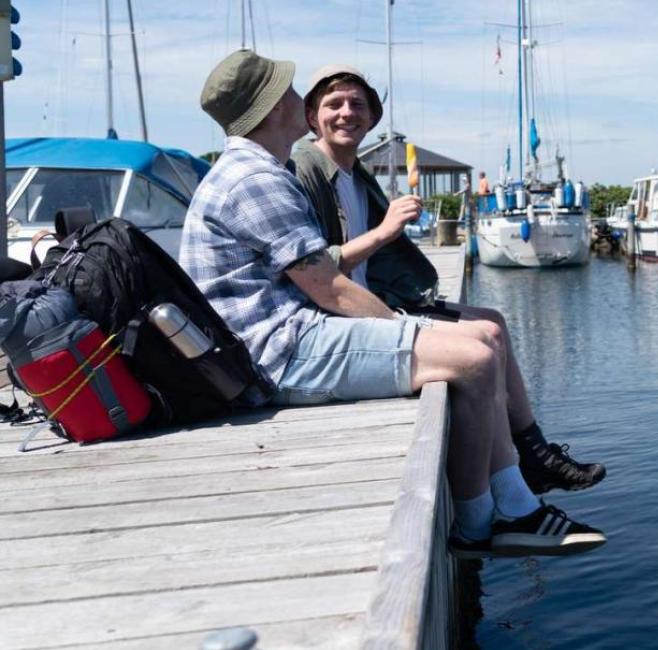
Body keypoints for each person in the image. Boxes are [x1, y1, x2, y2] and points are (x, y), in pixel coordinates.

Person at [182, 49, 604, 557]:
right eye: (293, 92)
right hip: (277, 353)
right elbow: (329, 287)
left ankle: (516, 498)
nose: (302, 100)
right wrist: (408, 329)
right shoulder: (257, 180)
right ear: (273, 109)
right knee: (473, 359)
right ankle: (479, 527)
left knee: (479, 340)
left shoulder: (252, 170)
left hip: (280, 339)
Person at [289, 65, 604, 496]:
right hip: (342, 315)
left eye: (357, 104)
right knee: (482, 341)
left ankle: (535, 453)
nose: (347, 113)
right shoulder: (306, 167)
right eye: (334, 104)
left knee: (495, 320)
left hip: (378, 297)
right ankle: (505, 482)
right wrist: (385, 232)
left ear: (372, 116)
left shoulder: (355, 173)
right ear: (311, 117)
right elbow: (317, 271)